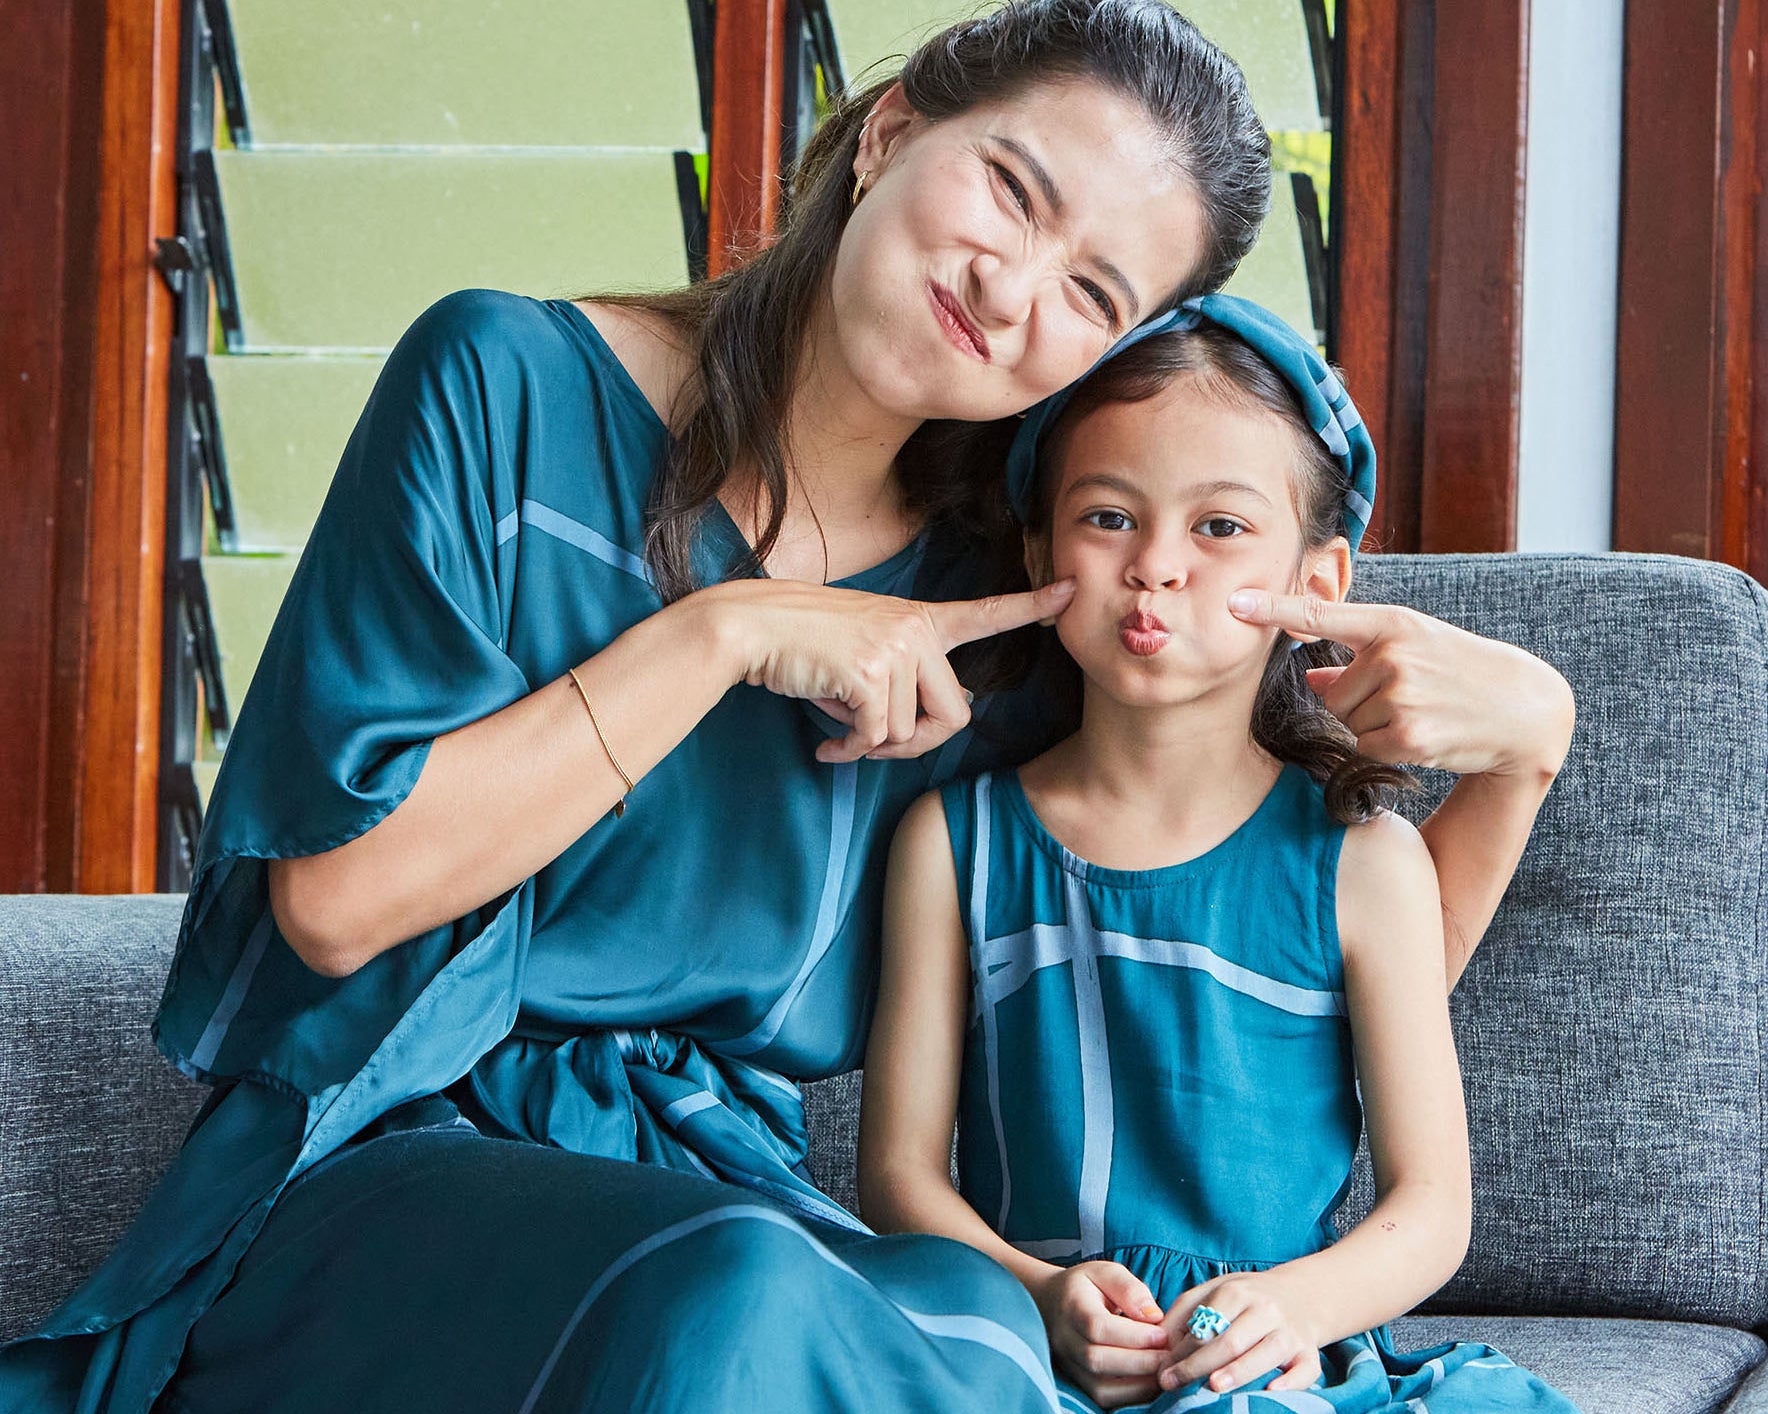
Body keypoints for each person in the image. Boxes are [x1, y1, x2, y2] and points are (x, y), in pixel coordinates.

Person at [0, 3, 1572, 1411]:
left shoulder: (1002, 603)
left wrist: (1527, 740)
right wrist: (722, 633)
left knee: (968, 1317)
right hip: (382, 1176)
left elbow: (1287, 961)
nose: (1009, 284)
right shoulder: (502, 384)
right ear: (890, 129)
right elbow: (340, 902)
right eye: (1012, 192)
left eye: (1090, 291)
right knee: (738, 1293)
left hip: (743, 1207)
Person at [857, 296, 1578, 1413]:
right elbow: (898, 1177)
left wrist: (1296, 1307)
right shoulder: (952, 843)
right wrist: (1040, 1292)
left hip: (1272, 1366)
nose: (1155, 567)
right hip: (1017, 1356)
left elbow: (1431, 1208)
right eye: (1107, 517)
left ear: (1319, 585)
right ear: (1038, 544)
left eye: (1219, 527)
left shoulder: (1365, 860)